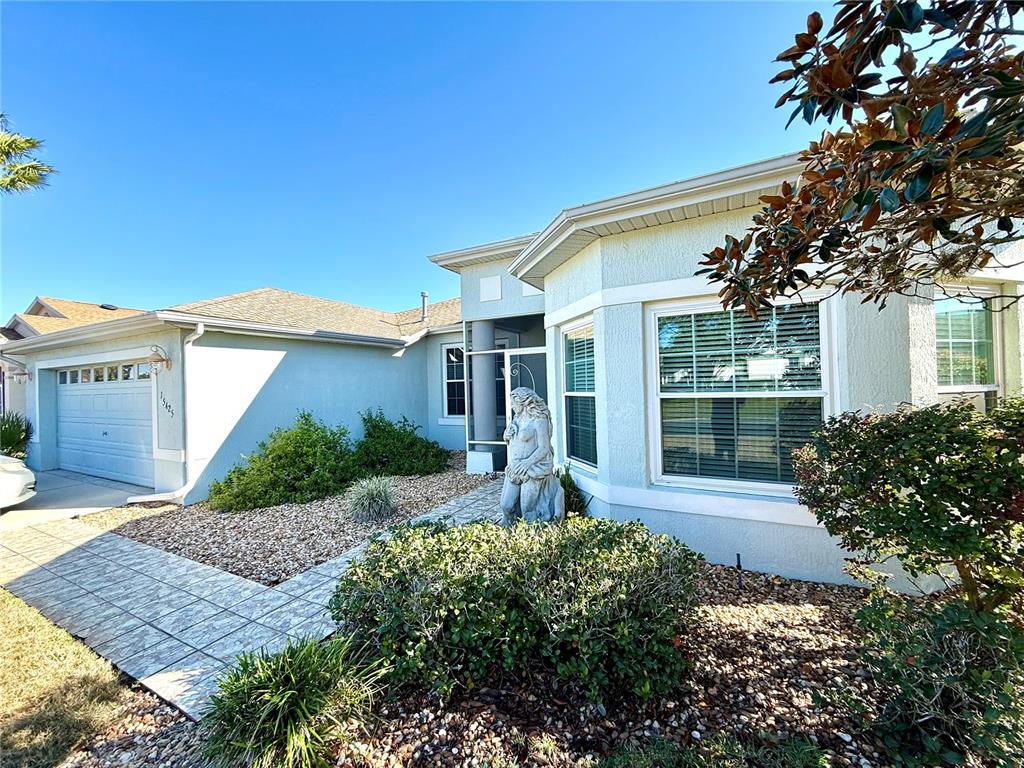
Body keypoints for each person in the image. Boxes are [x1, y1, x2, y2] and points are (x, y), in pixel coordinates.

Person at [500, 387, 565, 524]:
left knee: (527, 509)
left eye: (513, 403)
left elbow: (544, 448)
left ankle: (532, 538)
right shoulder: (517, 419)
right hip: (515, 468)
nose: (511, 406)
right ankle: (508, 534)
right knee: (506, 505)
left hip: (532, 469)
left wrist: (527, 463)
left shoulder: (539, 421)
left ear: (524, 402)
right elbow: (513, 441)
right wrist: (506, 435)